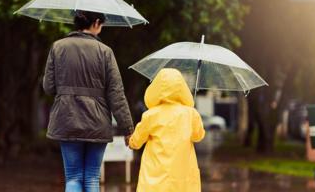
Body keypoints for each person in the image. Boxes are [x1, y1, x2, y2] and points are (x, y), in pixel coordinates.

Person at [42, 10, 134, 192]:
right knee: (92, 177)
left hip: (66, 120)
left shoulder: (58, 47)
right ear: (96, 23)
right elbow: (116, 94)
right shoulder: (105, 52)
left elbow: (48, 87)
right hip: (97, 123)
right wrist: (128, 129)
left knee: (73, 177)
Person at [129, 68, 205, 192]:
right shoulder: (191, 114)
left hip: (155, 176)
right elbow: (198, 136)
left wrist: (130, 141)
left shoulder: (151, 115)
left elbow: (136, 142)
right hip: (182, 175)